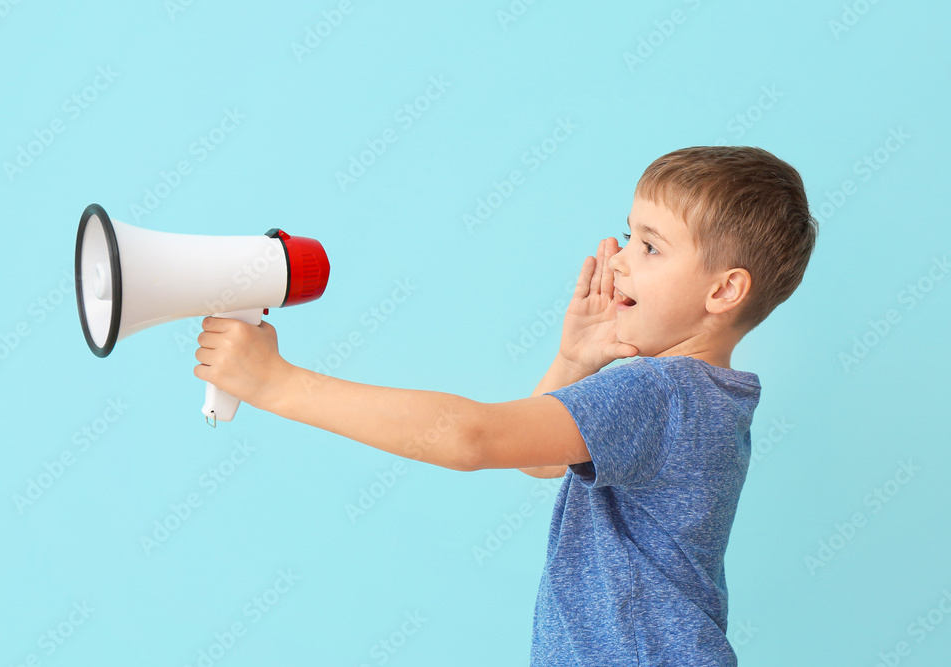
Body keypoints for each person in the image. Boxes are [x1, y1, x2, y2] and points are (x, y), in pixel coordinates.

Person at [193, 145, 819, 665]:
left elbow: (474, 438)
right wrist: (575, 360)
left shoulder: (654, 391)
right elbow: (541, 462)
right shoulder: (710, 398)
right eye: (630, 235)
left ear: (724, 289)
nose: (621, 259)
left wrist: (274, 382)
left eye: (651, 247)